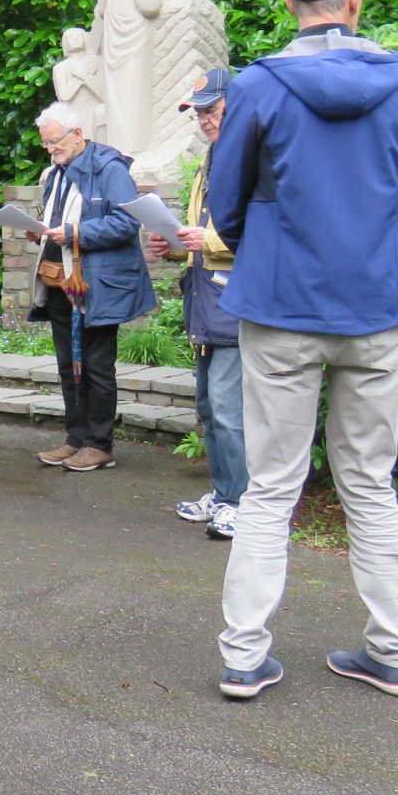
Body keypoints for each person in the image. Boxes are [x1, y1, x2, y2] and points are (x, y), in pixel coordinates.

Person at [207, 0, 398, 701]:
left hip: (281, 307)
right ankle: (395, 650)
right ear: (356, 0)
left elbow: (229, 206)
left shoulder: (258, 87)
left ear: (288, 7)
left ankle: (244, 656)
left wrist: (268, 248)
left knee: (272, 486)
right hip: (378, 304)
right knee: (370, 483)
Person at [23, 102, 156, 472]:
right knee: (69, 365)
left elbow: (128, 222)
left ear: (78, 133)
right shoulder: (54, 174)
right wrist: (40, 230)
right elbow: (57, 218)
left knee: (96, 365)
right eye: (46, 144)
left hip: (98, 285)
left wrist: (76, 233)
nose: (51, 149)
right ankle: (75, 440)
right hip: (59, 282)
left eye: (55, 142)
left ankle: (100, 445)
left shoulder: (110, 168)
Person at [146, 68, 245, 540]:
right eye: (199, 113)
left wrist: (201, 240)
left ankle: (242, 504)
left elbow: (263, 232)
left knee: (230, 412)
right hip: (207, 303)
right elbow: (204, 233)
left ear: (236, 105)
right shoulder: (214, 155)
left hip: (235, 304)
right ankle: (224, 496)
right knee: (209, 409)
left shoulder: (248, 154)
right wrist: (177, 245)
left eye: (212, 110)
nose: (205, 120)